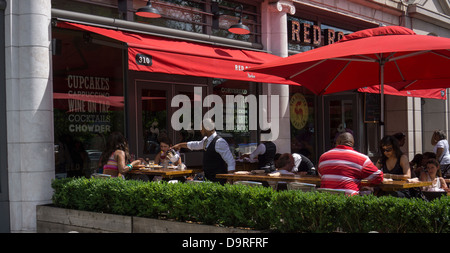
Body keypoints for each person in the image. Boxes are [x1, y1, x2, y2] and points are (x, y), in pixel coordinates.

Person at [171, 119, 235, 184]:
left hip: (218, 180)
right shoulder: (206, 140)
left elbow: (231, 161)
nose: (200, 130)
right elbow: (195, 145)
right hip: (208, 178)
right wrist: (180, 145)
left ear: (207, 128)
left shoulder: (219, 142)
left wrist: (229, 180)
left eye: (201, 128)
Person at [318, 132, 384, 196]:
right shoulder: (362, 158)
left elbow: (321, 175)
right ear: (352, 144)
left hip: (326, 199)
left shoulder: (323, 157)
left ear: (338, 142)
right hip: (349, 201)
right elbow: (378, 177)